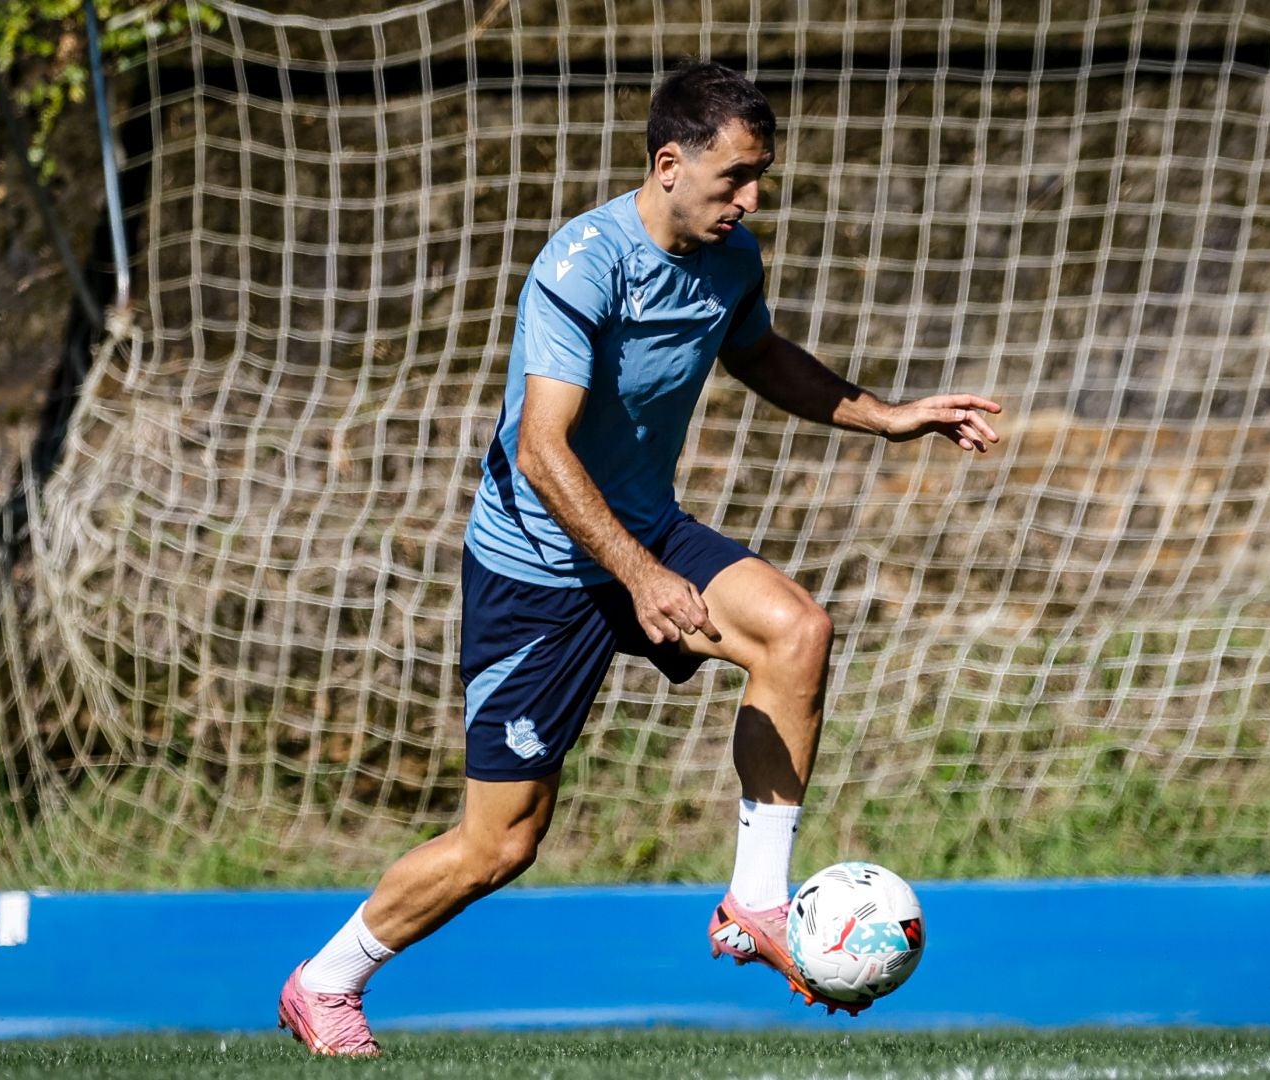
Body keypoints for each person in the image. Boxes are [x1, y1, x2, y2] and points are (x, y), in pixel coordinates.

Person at [277, 59, 1002, 1057]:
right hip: (537, 570)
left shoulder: (730, 258)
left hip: (644, 531)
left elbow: (760, 354)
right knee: (501, 845)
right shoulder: (581, 267)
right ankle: (326, 980)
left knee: (796, 632)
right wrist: (639, 575)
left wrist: (892, 417)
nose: (750, 202)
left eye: (761, 180)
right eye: (735, 178)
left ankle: (757, 901)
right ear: (669, 163)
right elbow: (542, 451)